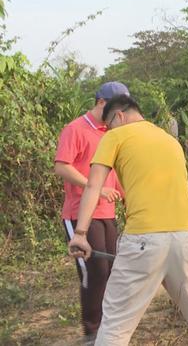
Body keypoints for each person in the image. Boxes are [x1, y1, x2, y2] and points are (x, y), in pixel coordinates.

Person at [67, 95, 188, 346]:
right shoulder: (170, 141)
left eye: (109, 124)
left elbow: (93, 185)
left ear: (119, 116)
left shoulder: (115, 136)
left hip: (143, 241)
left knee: (115, 325)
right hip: (186, 238)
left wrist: (80, 234)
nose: (108, 130)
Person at [54, 81, 128, 343]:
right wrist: (93, 188)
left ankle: (107, 327)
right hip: (80, 213)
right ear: (100, 103)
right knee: (94, 271)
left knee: (111, 269)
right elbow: (62, 167)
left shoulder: (112, 133)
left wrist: (128, 199)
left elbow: (115, 172)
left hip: (108, 213)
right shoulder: (75, 129)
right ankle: (91, 331)